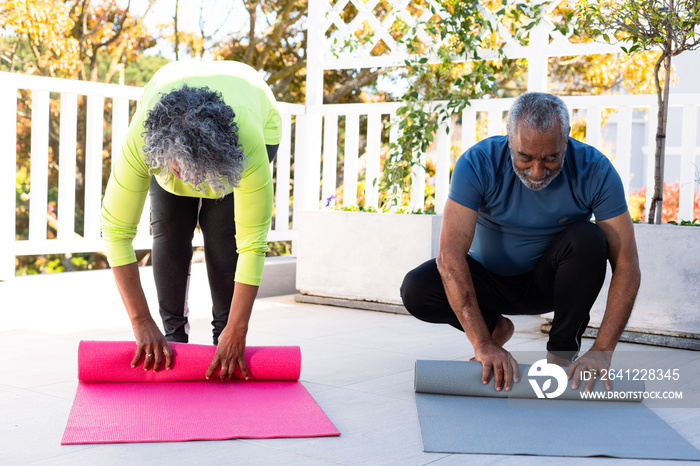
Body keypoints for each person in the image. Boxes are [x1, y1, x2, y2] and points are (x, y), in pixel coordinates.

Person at [401, 92, 640, 393]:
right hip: (487, 282)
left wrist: (603, 350)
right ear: (509, 139)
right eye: (525, 157)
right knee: (417, 288)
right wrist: (482, 344)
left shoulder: (596, 170)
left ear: (566, 140)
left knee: (589, 238)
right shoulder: (478, 163)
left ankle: (561, 356)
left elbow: (627, 264)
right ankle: (494, 328)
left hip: (550, 284)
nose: (537, 172)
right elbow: (449, 255)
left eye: (551, 157)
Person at [101, 60, 281, 379]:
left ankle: (224, 340)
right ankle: (173, 340)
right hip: (169, 135)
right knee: (170, 230)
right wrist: (141, 322)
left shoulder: (248, 144)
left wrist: (237, 329)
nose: (197, 187)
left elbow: (253, 244)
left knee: (225, 234)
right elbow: (115, 233)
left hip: (249, 121)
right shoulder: (143, 142)